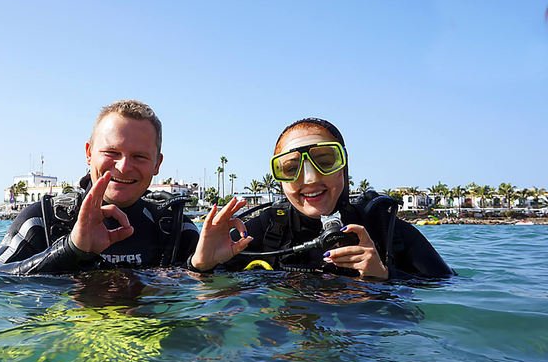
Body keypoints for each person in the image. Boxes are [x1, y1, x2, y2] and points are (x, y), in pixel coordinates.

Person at [188, 117, 454, 279]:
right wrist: (200, 265)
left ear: (344, 167)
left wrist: (384, 276)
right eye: (291, 169)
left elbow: (451, 288)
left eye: (325, 161)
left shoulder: (386, 230)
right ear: (279, 179)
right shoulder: (262, 231)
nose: (310, 179)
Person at [0, 100, 199, 275]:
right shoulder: (42, 221)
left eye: (139, 156)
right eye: (111, 153)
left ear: (157, 164)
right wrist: (71, 249)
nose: (124, 167)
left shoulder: (176, 230)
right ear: (89, 153)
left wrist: (206, 267)